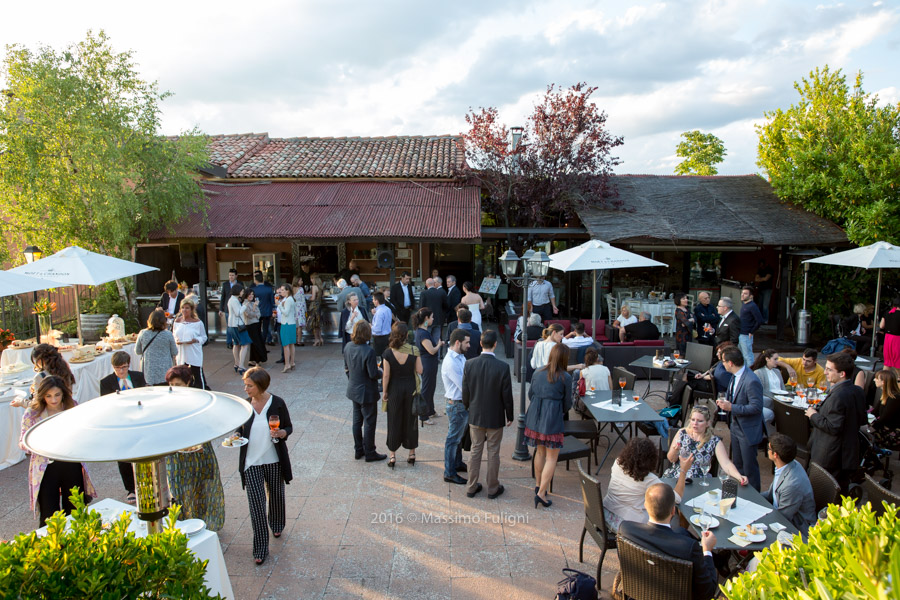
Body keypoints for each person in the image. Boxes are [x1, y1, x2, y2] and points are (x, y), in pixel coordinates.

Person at [618, 483, 718, 600]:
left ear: (645, 505)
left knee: (681, 531)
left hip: (640, 592)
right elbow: (707, 592)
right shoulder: (689, 548)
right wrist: (707, 551)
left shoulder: (626, 529)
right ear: (673, 511)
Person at [19, 376, 97, 526]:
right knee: (49, 513)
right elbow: (23, 440)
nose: (53, 400)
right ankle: (53, 546)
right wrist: (31, 443)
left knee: (75, 509)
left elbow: (83, 431)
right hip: (45, 467)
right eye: (48, 396)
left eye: (57, 395)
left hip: (70, 462)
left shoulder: (72, 406)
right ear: (42, 396)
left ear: (63, 393)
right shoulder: (32, 412)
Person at [237, 367, 293, 565]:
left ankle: (277, 523)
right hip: (251, 462)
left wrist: (282, 433)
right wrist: (235, 437)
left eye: (249, 385)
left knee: (276, 495)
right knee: (256, 505)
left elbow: (288, 427)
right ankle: (260, 547)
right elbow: (238, 430)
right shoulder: (244, 406)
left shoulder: (277, 403)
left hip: (274, 459)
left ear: (260, 386)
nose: (245, 389)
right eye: (245, 384)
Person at [164, 366, 225, 532]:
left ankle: (205, 525)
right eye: (172, 384)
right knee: (178, 491)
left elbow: (209, 424)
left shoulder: (200, 400)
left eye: (179, 384)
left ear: (189, 383)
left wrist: (200, 443)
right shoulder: (165, 404)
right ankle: (182, 526)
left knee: (203, 487)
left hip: (200, 450)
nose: (175, 388)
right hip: (175, 454)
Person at [461, 330, 514, 498]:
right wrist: (510, 415)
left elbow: (465, 392)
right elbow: (507, 395)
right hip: (495, 417)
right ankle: (492, 488)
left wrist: (469, 407)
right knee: (493, 452)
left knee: (475, 451)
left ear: (480, 344)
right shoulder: (503, 367)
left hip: (475, 415)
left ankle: (471, 486)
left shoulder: (469, 364)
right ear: (495, 345)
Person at [806, 352, 867, 493]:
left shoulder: (839, 395)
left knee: (825, 494)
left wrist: (813, 415)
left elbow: (833, 426)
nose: (825, 372)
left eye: (829, 369)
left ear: (842, 374)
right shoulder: (857, 391)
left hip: (830, 455)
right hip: (848, 453)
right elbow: (862, 419)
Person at [604, 437, 691, 532]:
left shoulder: (617, 462)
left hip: (605, 514)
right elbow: (676, 499)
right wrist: (683, 471)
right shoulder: (648, 479)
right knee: (670, 515)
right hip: (627, 527)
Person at [526, 343, 572, 508]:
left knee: (539, 452)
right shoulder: (565, 377)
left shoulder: (538, 372)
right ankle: (541, 493)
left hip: (534, 416)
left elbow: (530, 394)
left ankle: (539, 485)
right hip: (551, 417)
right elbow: (568, 403)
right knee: (552, 457)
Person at [98, 352, 146, 503]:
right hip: (120, 421)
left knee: (142, 453)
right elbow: (105, 404)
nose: (121, 371)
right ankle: (131, 488)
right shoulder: (106, 382)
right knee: (124, 457)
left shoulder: (138, 376)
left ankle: (144, 484)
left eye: (124, 367)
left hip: (138, 419)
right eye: (118, 368)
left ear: (128, 365)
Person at [716, 347, 765, 490]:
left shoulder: (751, 380)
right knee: (738, 467)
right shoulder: (735, 376)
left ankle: (755, 498)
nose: (722, 364)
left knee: (750, 468)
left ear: (730, 363)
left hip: (747, 431)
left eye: (724, 361)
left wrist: (731, 408)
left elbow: (756, 407)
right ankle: (741, 494)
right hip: (735, 427)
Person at [663, 405, 748, 485]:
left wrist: (739, 476)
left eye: (700, 421)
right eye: (693, 420)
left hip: (699, 481)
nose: (695, 423)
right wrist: (676, 450)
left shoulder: (714, 441)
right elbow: (671, 459)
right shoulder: (682, 433)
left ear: (707, 423)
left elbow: (726, 463)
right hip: (677, 476)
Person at [344, 321, 386, 462]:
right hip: (367, 392)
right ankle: (370, 451)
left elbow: (347, 368)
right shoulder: (369, 351)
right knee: (369, 422)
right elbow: (373, 374)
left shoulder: (348, 347)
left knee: (357, 421)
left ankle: (358, 450)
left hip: (353, 389)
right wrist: (381, 371)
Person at [382, 323, 423, 468]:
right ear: (406, 335)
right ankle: (411, 453)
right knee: (411, 420)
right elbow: (420, 370)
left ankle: (392, 456)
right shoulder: (414, 350)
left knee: (393, 421)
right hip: (411, 388)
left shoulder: (387, 353)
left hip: (394, 389)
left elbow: (386, 375)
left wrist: (385, 392)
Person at [763, 433, 816, 537]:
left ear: (775, 455)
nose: (767, 450)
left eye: (768, 448)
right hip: (781, 513)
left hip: (795, 529)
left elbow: (782, 518)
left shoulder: (791, 485)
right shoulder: (787, 464)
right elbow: (771, 494)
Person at [442, 329, 471, 483]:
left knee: (457, 438)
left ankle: (457, 463)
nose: (469, 345)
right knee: (453, 439)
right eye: (467, 342)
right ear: (458, 342)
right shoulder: (451, 362)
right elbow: (463, 385)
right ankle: (449, 472)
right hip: (457, 405)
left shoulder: (460, 357)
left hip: (459, 404)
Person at [14, 344, 76, 408]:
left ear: (39, 360)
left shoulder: (40, 377)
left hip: (50, 413)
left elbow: (37, 405)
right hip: (67, 408)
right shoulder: (65, 370)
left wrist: (21, 402)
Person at [412, 307, 443, 424]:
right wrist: (439, 344)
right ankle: (424, 415)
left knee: (431, 387)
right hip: (427, 363)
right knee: (427, 389)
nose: (433, 319)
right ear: (426, 318)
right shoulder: (423, 333)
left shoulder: (422, 331)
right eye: (431, 317)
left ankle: (430, 411)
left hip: (429, 362)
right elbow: (431, 350)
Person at [135, 308, 178, 385]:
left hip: (148, 371)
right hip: (165, 371)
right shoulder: (168, 334)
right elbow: (175, 352)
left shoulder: (143, 333)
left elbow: (137, 351)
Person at [173, 298, 208, 389]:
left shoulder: (198, 323)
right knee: (181, 376)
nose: (185, 310)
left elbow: (204, 337)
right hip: (181, 353)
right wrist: (176, 341)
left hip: (193, 352)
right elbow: (174, 335)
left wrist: (195, 340)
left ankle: (202, 392)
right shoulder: (177, 321)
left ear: (191, 309)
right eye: (183, 308)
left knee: (197, 375)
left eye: (187, 308)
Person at [748, 348, 781, 431]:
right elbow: (759, 391)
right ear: (767, 359)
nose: (777, 361)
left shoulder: (777, 371)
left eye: (778, 359)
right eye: (775, 359)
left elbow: (782, 387)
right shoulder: (759, 372)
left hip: (781, 398)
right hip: (768, 400)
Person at [871, 369, 900, 449]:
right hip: (885, 429)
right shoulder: (886, 395)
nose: (874, 379)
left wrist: (870, 427)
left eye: (877, 378)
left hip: (893, 433)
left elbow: (885, 419)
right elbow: (874, 412)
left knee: (866, 436)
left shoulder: (894, 398)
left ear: (883, 382)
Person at [225, 285, 251, 374]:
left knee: (236, 344)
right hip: (238, 325)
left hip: (231, 325)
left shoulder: (231, 299)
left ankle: (236, 363)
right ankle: (241, 365)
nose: (243, 292)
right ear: (238, 291)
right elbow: (238, 313)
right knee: (245, 345)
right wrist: (245, 306)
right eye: (242, 291)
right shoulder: (234, 300)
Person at [242, 289, 268, 366]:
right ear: (246, 295)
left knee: (256, 342)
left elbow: (259, 314)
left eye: (252, 294)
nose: (251, 296)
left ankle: (252, 359)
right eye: (249, 294)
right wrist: (254, 309)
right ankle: (257, 360)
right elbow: (249, 315)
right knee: (256, 342)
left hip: (256, 324)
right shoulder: (245, 304)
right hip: (250, 325)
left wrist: (254, 312)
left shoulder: (253, 303)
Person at [738, 286, 763, 367]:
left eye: (745, 294)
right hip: (741, 333)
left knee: (748, 356)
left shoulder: (752, 306)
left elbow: (759, 320)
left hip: (746, 335)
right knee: (742, 356)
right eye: (742, 293)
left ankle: (751, 373)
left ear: (751, 296)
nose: (742, 295)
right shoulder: (745, 305)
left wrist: (751, 331)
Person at [276, 284, 297, 372]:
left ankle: (287, 364)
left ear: (287, 290)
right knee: (291, 344)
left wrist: (279, 305)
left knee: (285, 345)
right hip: (291, 323)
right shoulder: (291, 299)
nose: (281, 292)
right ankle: (292, 362)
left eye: (283, 290)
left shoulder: (288, 300)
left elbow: (286, 313)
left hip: (286, 324)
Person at [421, 278, 449, 343]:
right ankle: (437, 353)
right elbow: (446, 306)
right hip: (438, 320)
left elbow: (421, 308)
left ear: (426, 285)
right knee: (436, 340)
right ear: (434, 284)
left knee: (426, 339)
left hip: (427, 320)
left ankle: (428, 352)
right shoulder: (441, 293)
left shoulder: (424, 293)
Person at [219, 268, 240, 349]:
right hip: (228, 309)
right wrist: (221, 309)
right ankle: (228, 342)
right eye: (230, 275)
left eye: (232, 275)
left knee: (238, 325)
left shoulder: (240, 284)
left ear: (236, 276)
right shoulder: (225, 284)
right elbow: (223, 297)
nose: (231, 277)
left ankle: (237, 341)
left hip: (238, 307)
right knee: (229, 326)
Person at [880, 297, 900, 374]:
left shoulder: (887, 312)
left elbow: (881, 326)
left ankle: (883, 381)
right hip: (898, 339)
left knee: (887, 362)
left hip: (888, 338)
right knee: (898, 362)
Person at [371, 291, 393, 357]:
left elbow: (377, 329)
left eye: (373, 300)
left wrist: (370, 326)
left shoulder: (379, 313)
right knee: (387, 357)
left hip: (379, 339)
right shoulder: (387, 309)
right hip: (388, 335)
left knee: (380, 358)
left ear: (377, 301)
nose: (372, 301)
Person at [754, 259, 774, 323]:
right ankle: (760, 319)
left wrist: (760, 278)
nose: (761, 266)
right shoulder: (760, 269)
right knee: (760, 305)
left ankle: (765, 320)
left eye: (762, 265)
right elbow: (756, 279)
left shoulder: (769, 269)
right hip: (761, 289)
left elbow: (766, 279)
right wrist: (763, 278)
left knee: (765, 306)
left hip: (768, 289)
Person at [308, 275, 325, 346]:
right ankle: (320, 338)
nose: (311, 280)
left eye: (312, 279)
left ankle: (316, 339)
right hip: (319, 306)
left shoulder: (314, 287)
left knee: (314, 324)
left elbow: (313, 297)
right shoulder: (321, 288)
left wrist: (308, 298)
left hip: (314, 306)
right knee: (318, 324)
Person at [292, 276, 307, 347]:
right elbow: (303, 300)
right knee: (299, 326)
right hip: (300, 307)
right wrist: (305, 310)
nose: (302, 282)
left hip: (293, 308)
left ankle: (294, 340)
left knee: (295, 325)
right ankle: (299, 341)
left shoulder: (291, 289)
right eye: (300, 280)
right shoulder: (301, 289)